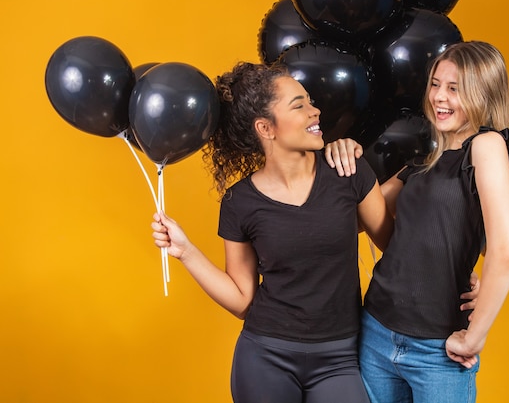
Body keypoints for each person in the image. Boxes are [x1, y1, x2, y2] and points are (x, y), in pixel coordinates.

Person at [151, 62, 395, 403]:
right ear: (266, 128)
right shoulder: (240, 202)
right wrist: (186, 250)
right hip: (266, 355)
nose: (316, 111)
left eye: (310, 101)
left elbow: (396, 248)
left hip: (339, 358)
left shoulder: (348, 171)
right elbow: (241, 301)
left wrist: (456, 275)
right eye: (300, 105)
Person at [325, 40, 509, 403]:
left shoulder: (486, 145)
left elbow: (506, 249)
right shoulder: (423, 162)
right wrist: (344, 150)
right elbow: (356, 217)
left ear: (484, 92)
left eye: (455, 88)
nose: (439, 97)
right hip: (376, 330)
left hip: (437, 350)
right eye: (435, 84)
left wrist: (474, 336)